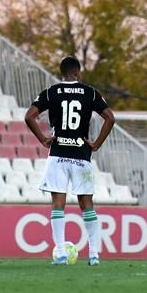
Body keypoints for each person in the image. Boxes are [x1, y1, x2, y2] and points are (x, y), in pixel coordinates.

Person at [25, 56, 116, 266]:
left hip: (57, 155)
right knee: (87, 205)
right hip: (81, 156)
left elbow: (29, 116)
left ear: (62, 73)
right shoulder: (90, 92)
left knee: (58, 205)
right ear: (78, 72)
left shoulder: (51, 92)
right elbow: (110, 118)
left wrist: (43, 139)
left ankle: (61, 254)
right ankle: (94, 255)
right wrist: (97, 143)